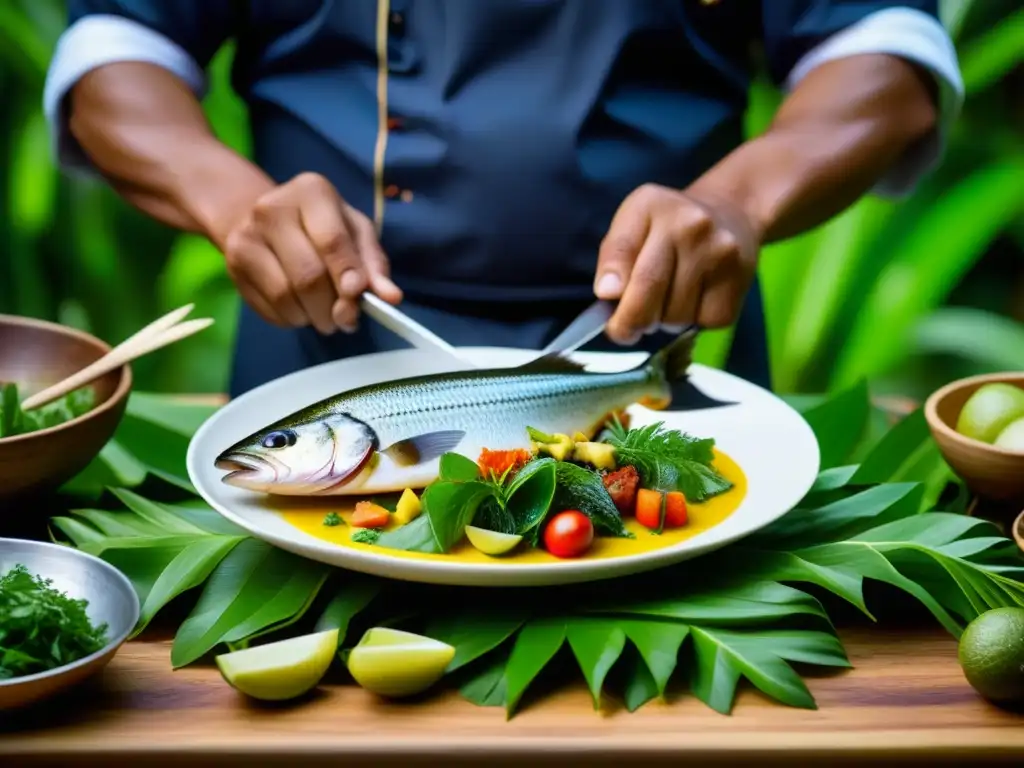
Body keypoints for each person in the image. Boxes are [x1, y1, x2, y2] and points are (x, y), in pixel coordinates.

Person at [44, 1, 962, 397]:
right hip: (326, 360)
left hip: (666, 355)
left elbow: (882, 47)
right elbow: (116, 50)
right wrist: (236, 201)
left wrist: (742, 200)